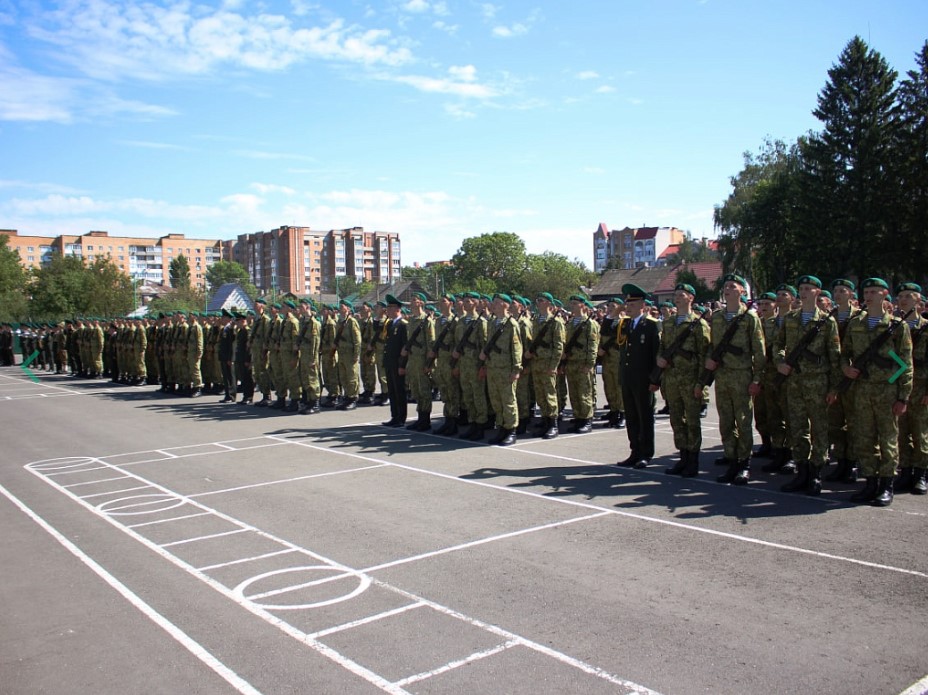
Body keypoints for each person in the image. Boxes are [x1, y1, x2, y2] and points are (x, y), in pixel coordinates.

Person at [829, 277, 913, 506]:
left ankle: (887, 485)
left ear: (885, 294)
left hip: (887, 392)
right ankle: (870, 482)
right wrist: (846, 368)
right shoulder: (856, 323)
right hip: (861, 390)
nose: (869, 295)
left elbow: (905, 364)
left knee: (887, 439)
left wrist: (899, 392)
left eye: (874, 291)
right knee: (864, 438)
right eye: (866, 291)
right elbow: (844, 353)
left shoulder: (897, 326)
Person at [774, 275, 841, 496]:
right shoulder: (791, 318)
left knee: (819, 430)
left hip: (818, 384)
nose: (803, 292)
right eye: (801, 288)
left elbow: (835, 357)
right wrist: (780, 361)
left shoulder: (827, 321)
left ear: (817, 292)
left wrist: (833, 388)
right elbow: (778, 345)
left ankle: (815, 475)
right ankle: (801, 472)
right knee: (798, 428)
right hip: (794, 382)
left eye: (808, 289)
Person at [697, 274, 765, 485]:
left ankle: (744, 463)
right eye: (725, 287)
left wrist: (757, 379)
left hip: (742, 375)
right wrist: (709, 360)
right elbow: (712, 346)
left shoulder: (750, 317)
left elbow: (759, 352)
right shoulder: (717, 317)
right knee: (726, 421)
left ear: (742, 292)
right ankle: (732, 459)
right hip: (723, 376)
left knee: (743, 422)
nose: (727, 290)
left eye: (732, 286)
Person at [657, 283, 711, 476]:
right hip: (672, 378)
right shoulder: (669, 323)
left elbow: (705, 356)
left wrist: (701, 384)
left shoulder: (699, 324)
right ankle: (683, 457)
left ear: (691, 299)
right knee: (676, 420)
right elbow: (662, 346)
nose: (677, 297)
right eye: (676, 294)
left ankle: (693, 461)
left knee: (692, 421)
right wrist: (660, 358)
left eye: (682, 295)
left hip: (691, 380)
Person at [615, 284, 661, 468]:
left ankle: (646, 453)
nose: (628, 307)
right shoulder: (625, 324)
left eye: (632, 304)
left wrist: (655, 379)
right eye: (627, 304)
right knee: (632, 417)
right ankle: (634, 451)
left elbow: (656, 354)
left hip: (644, 380)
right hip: (628, 378)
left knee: (645, 417)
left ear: (642, 304)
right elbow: (607, 329)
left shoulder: (651, 325)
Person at [892, 283, 927, 495]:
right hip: (899, 386)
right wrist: (897, 381)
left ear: (918, 302)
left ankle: (920, 473)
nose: (903, 300)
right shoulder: (893, 328)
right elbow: (894, 358)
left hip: (921, 387)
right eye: (901, 296)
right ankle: (905, 471)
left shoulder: (926, 327)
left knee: (921, 432)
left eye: (908, 296)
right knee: (901, 432)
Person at [480, 293, 523, 446]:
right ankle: (502, 428)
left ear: (505, 305)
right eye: (494, 302)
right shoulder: (492, 323)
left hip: (506, 369)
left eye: (497, 302)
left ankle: (511, 430)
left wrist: (516, 370)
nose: (494, 305)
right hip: (492, 368)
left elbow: (517, 349)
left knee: (508, 401)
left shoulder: (512, 324)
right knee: (496, 401)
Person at [526, 292, 566, 440]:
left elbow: (558, 347)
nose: (538, 303)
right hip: (537, 363)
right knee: (540, 394)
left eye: (541, 300)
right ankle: (544, 420)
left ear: (549, 303)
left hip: (548, 364)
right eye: (537, 300)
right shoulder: (536, 320)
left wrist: (553, 365)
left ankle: (553, 424)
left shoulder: (556, 322)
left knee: (549, 394)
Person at [454, 292, 490, 440]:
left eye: (469, 301)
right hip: (464, 365)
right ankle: (472, 423)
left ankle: (480, 426)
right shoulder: (461, 321)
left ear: (475, 303)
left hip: (476, 365)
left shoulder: (481, 322)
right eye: (464, 301)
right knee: (468, 397)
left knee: (478, 397)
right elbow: (457, 344)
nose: (465, 303)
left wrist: (483, 367)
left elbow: (485, 346)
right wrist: (456, 364)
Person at [561, 295, 600, 434]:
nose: (572, 306)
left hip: (583, 364)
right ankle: (578, 418)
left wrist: (589, 364)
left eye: (575, 303)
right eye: (571, 303)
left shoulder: (590, 324)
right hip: (571, 363)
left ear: (583, 306)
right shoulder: (570, 323)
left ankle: (587, 420)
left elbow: (593, 346)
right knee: (574, 393)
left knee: (584, 393)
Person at [402, 292, 436, 431]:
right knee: (416, 390)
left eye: (414, 300)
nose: (412, 302)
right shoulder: (411, 320)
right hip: (413, 359)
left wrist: (429, 364)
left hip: (422, 360)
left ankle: (425, 420)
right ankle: (420, 417)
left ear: (421, 303)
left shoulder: (426, 320)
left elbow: (431, 344)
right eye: (411, 300)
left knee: (425, 390)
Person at [429, 293, 461, 435]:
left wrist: (456, 365)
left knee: (453, 391)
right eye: (440, 301)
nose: (441, 303)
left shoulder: (455, 321)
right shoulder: (439, 321)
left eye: (444, 301)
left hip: (450, 360)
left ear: (451, 304)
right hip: (441, 360)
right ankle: (447, 420)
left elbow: (459, 344)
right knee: (445, 392)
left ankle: (453, 422)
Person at [598, 298, 627, 429]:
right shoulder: (607, 320)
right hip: (607, 360)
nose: (610, 308)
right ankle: (614, 411)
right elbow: (603, 334)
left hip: (618, 359)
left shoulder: (624, 321)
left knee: (619, 387)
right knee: (609, 386)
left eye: (613, 306)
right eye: (609, 306)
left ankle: (623, 413)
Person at [381, 294, 409, 427]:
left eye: (390, 307)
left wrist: (402, 365)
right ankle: (394, 416)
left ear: (397, 309)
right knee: (392, 390)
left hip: (398, 363)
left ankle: (401, 417)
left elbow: (405, 346)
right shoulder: (391, 323)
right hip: (389, 362)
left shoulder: (403, 325)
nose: (387, 310)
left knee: (399, 391)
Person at [334, 299, 362, 410]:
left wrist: (356, 354)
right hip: (341, 353)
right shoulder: (339, 321)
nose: (341, 307)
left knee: (352, 377)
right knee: (343, 376)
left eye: (343, 306)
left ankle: (353, 398)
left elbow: (357, 340)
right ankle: (347, 396)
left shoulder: (351, 322)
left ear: (348, 309)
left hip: (350, 354)